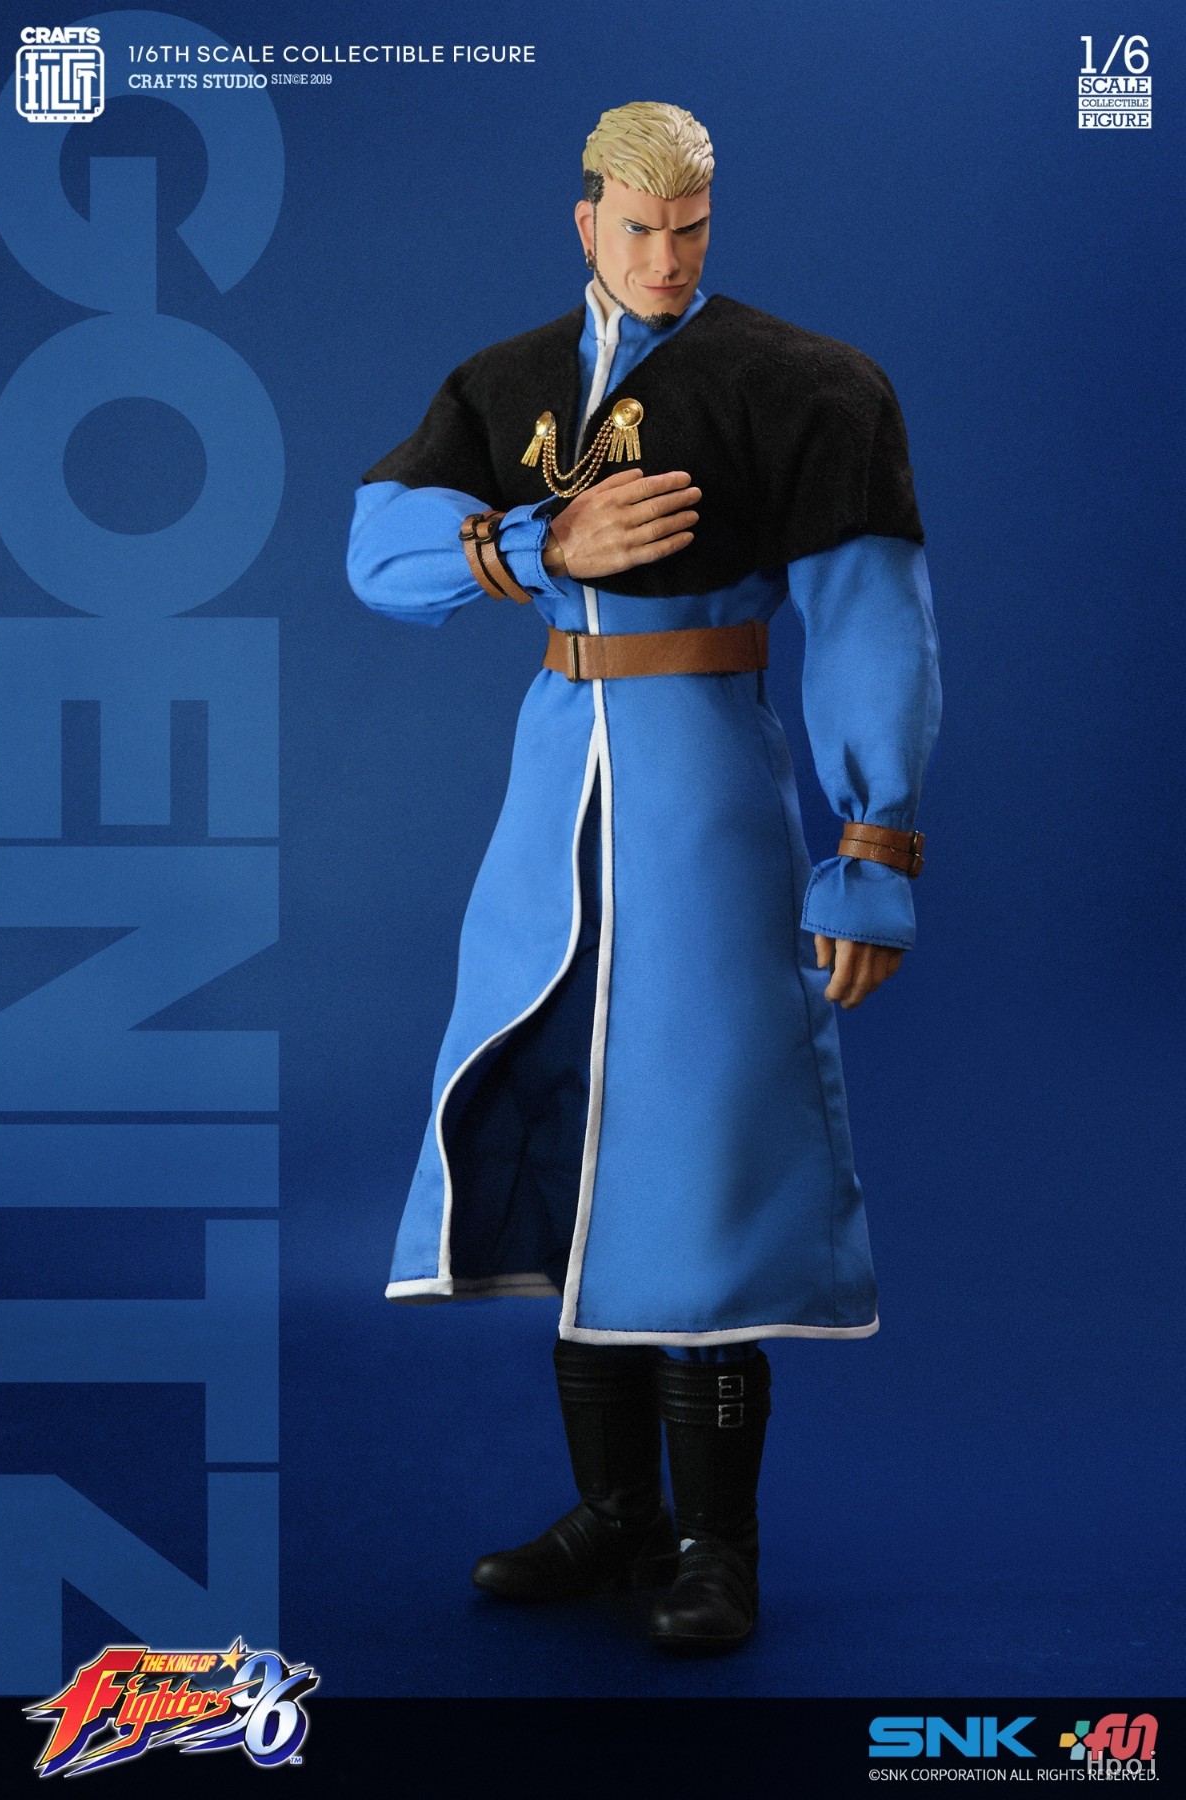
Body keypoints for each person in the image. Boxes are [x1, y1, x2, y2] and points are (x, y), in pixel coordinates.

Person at [346, 102, 941, 1654]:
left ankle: (715, 1544)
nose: (666, 258)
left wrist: (871, 848)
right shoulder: (508, 383)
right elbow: (375, 554)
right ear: (585, 220)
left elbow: (871, 619)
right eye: (637, 229)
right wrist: (540, 542)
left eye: (691, 230)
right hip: (549, 810)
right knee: (565, 1151)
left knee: (705, 1160)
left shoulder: (805, 384)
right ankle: (613, 1512)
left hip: (707, 803)